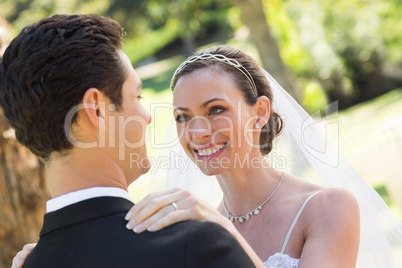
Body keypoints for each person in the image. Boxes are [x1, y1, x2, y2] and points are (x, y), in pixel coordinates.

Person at [1, 15, 260, 268]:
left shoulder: (29, 262)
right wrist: (224, 232)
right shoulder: (196, 246)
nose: (147, 117)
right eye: (137, 97)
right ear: (97, 110)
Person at [124, 45, 402, 267]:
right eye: (182, 117)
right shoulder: (196, 231)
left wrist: (225, 234)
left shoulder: (328, 208)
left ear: (260, 112)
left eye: (216, 110)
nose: (197, 132)